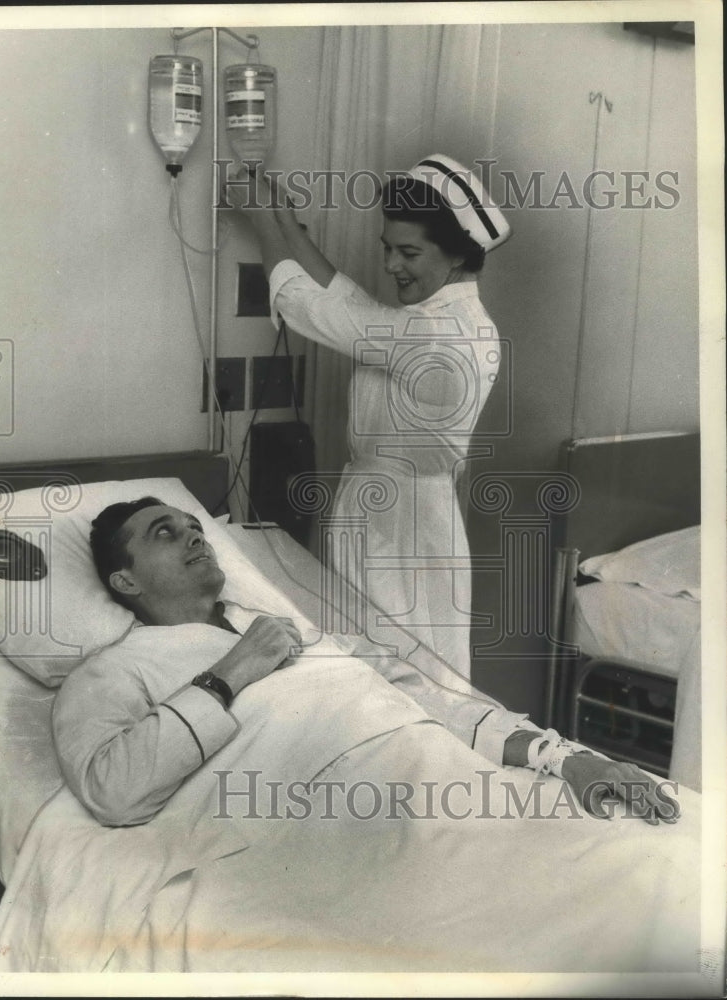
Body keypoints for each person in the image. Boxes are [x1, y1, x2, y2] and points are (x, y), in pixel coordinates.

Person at [52, 496, 679, 831]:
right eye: (164, 533)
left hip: (441, 777)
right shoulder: (112, 673)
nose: (195, 534)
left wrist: (565, 756)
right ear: (124, 581)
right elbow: (114, 790)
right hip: (346, 823)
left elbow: (420, 694)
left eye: (195, 525)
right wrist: (231, 673)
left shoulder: (285, 629)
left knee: (653, 845)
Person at [223, 153, 511, 689]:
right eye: (387, 248)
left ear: (455, 256)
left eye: (408, 252)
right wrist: (285, 218)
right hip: (395, 512)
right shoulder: (443, 317)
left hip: (402, 528)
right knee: (388, 668)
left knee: (400, 674)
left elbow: (311, 307)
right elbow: (350, 300)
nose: (391, 265)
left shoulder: (438, 335)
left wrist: (261, 218)